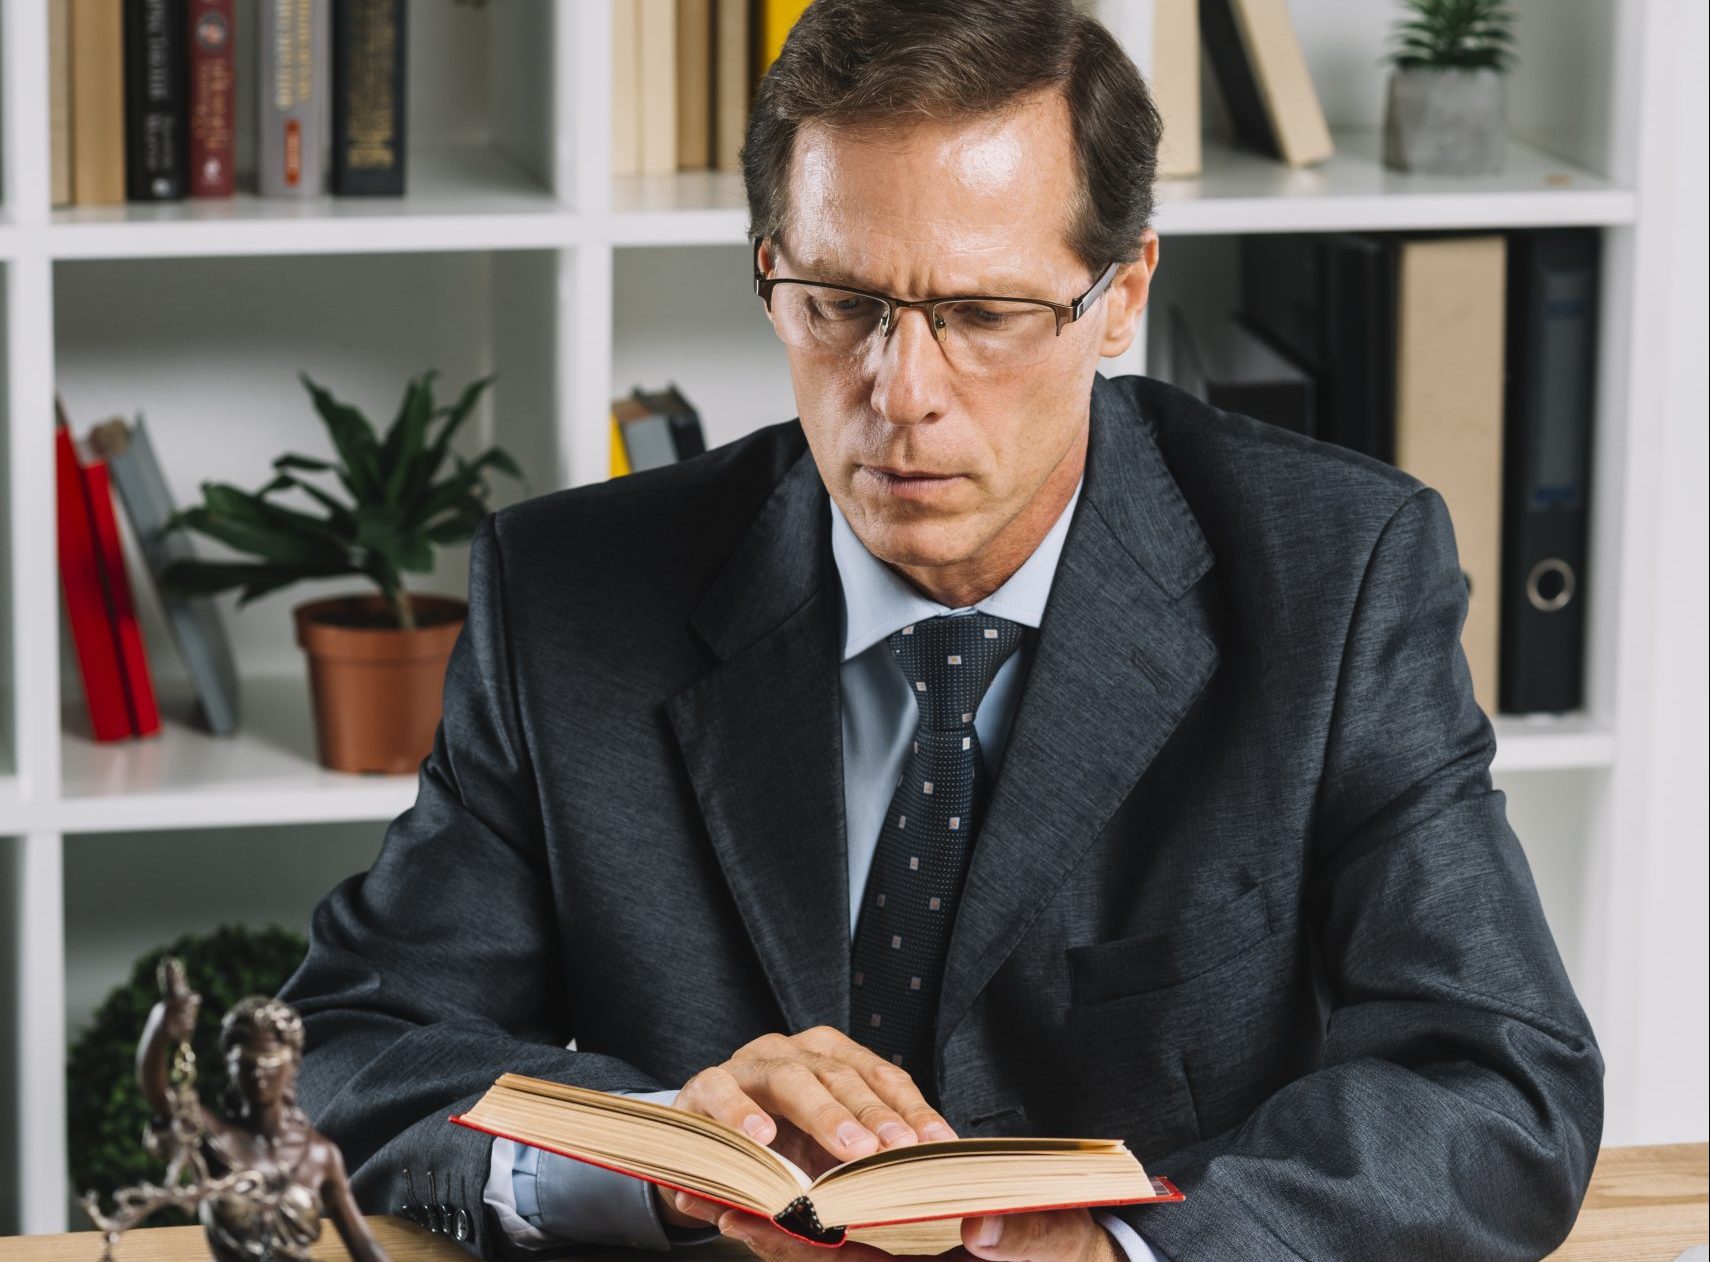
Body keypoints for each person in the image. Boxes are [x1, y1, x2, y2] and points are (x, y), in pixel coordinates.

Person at [278, 2, 1603, 1259]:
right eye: (839, 304)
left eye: (982, 315)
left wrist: (1126, 1243)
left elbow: (1495, 1081)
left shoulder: (1335, 575)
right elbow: (349, 1039)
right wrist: (653, 1155)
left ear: (1121, 296)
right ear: (766, 278)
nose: (900, 393)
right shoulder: (566, 592)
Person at [130, 961, 390, 1262]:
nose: (257, 1074)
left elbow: (365, 1248)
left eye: (268, 1061)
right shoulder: (215, 1139)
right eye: (246, 1063)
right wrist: (160, 1028)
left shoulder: (319, 1154)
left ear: (292, 1063)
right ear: (231, 1067)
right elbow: (157, 1090)